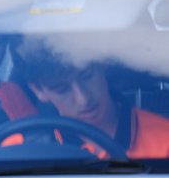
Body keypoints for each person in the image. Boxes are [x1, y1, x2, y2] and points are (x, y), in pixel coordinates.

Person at [11, 43, 169, 159]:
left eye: (87, 76)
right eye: (62, 90)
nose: (83, 99)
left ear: (103, 62)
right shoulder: (20, 150)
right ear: (38, 91)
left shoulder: (165, 139)